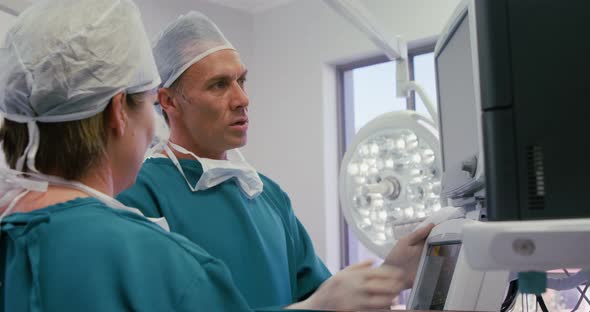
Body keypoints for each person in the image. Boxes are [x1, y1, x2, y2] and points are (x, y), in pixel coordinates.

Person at [117, 11, 434, 311]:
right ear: (168, 101)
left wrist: (393, 273)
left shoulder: (267, 195)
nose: (242, 99)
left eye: (241, 81)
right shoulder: (140, 194)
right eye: (219, 85)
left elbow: (324, 299)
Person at [0, 1, 253, 311]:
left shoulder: (13, 242)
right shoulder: (170, 271)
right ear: (118, 111)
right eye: (150, 103)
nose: (154, 127)